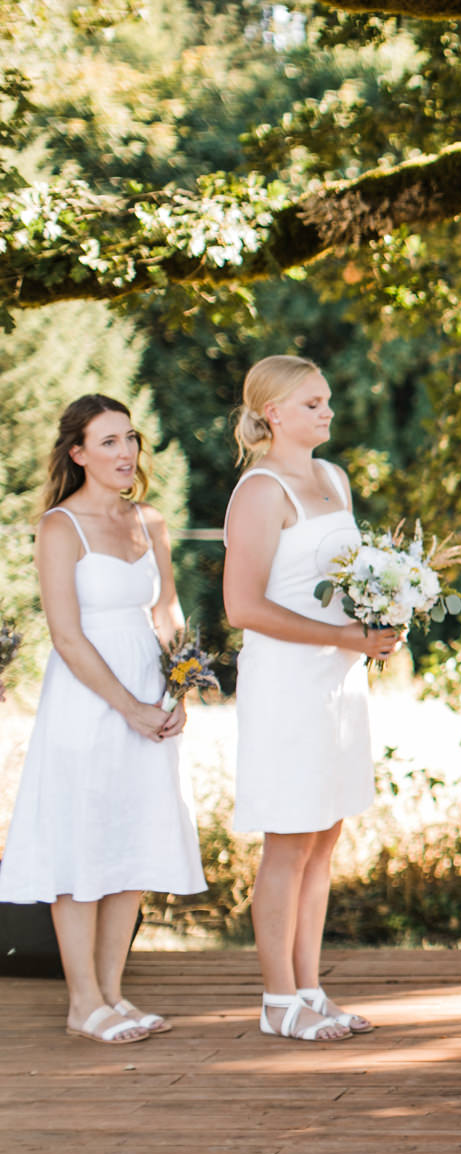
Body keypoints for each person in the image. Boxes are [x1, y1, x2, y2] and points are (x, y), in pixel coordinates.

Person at [0, 395, 205, 1043]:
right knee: (83, 842)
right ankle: (82, 1002)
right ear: (78, 453)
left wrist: (182, 689)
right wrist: (131, 708)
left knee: (133, 842)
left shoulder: (150, 520)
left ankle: (114, 995)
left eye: (131, 439)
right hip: (89, 704)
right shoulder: (60, 526)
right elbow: (66, 635)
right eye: (109, 442)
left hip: (151, 696)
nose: (126, 453)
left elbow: (168, 613)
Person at [223, 356, 401, 1044]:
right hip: (287, 683)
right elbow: (243, 605)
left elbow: (348, 578)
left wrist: (378, 621)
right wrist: (345, 633)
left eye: (327, 400)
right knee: (289, 837)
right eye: (313, 403)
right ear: (274, 414)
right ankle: (275, 998)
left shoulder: (333, 478)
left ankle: (310, 985)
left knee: (326, 834)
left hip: (338, 679)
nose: (328, 412)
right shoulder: (261, 491)